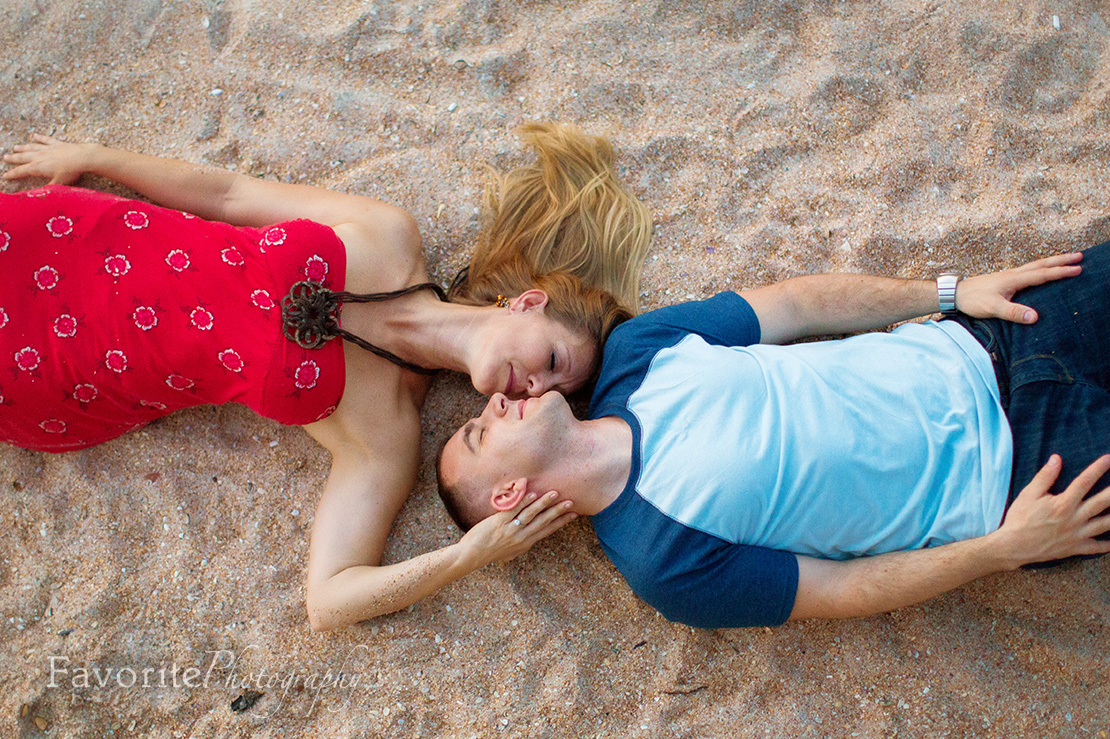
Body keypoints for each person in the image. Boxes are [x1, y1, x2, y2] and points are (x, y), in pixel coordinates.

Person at [0, 123, 651, 631]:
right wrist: (96, 156)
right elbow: (229, 195)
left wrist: (466, 557)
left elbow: (330, 597)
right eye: (554, 362)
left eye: (553, 396)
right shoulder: (387, 234)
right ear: (529, 303)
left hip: (65, 367)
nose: (531, 389)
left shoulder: (386, 434)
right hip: (72, 241)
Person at [437, 243, 1110, 628]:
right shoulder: (663, 563)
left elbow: (796, 304)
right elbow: (841, 589)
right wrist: (1003, 549)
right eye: (478, 432)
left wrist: (951, 291)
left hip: (997, 332)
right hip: (1030, 476)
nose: (495, 400)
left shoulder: (637, 352)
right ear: (508, 496)